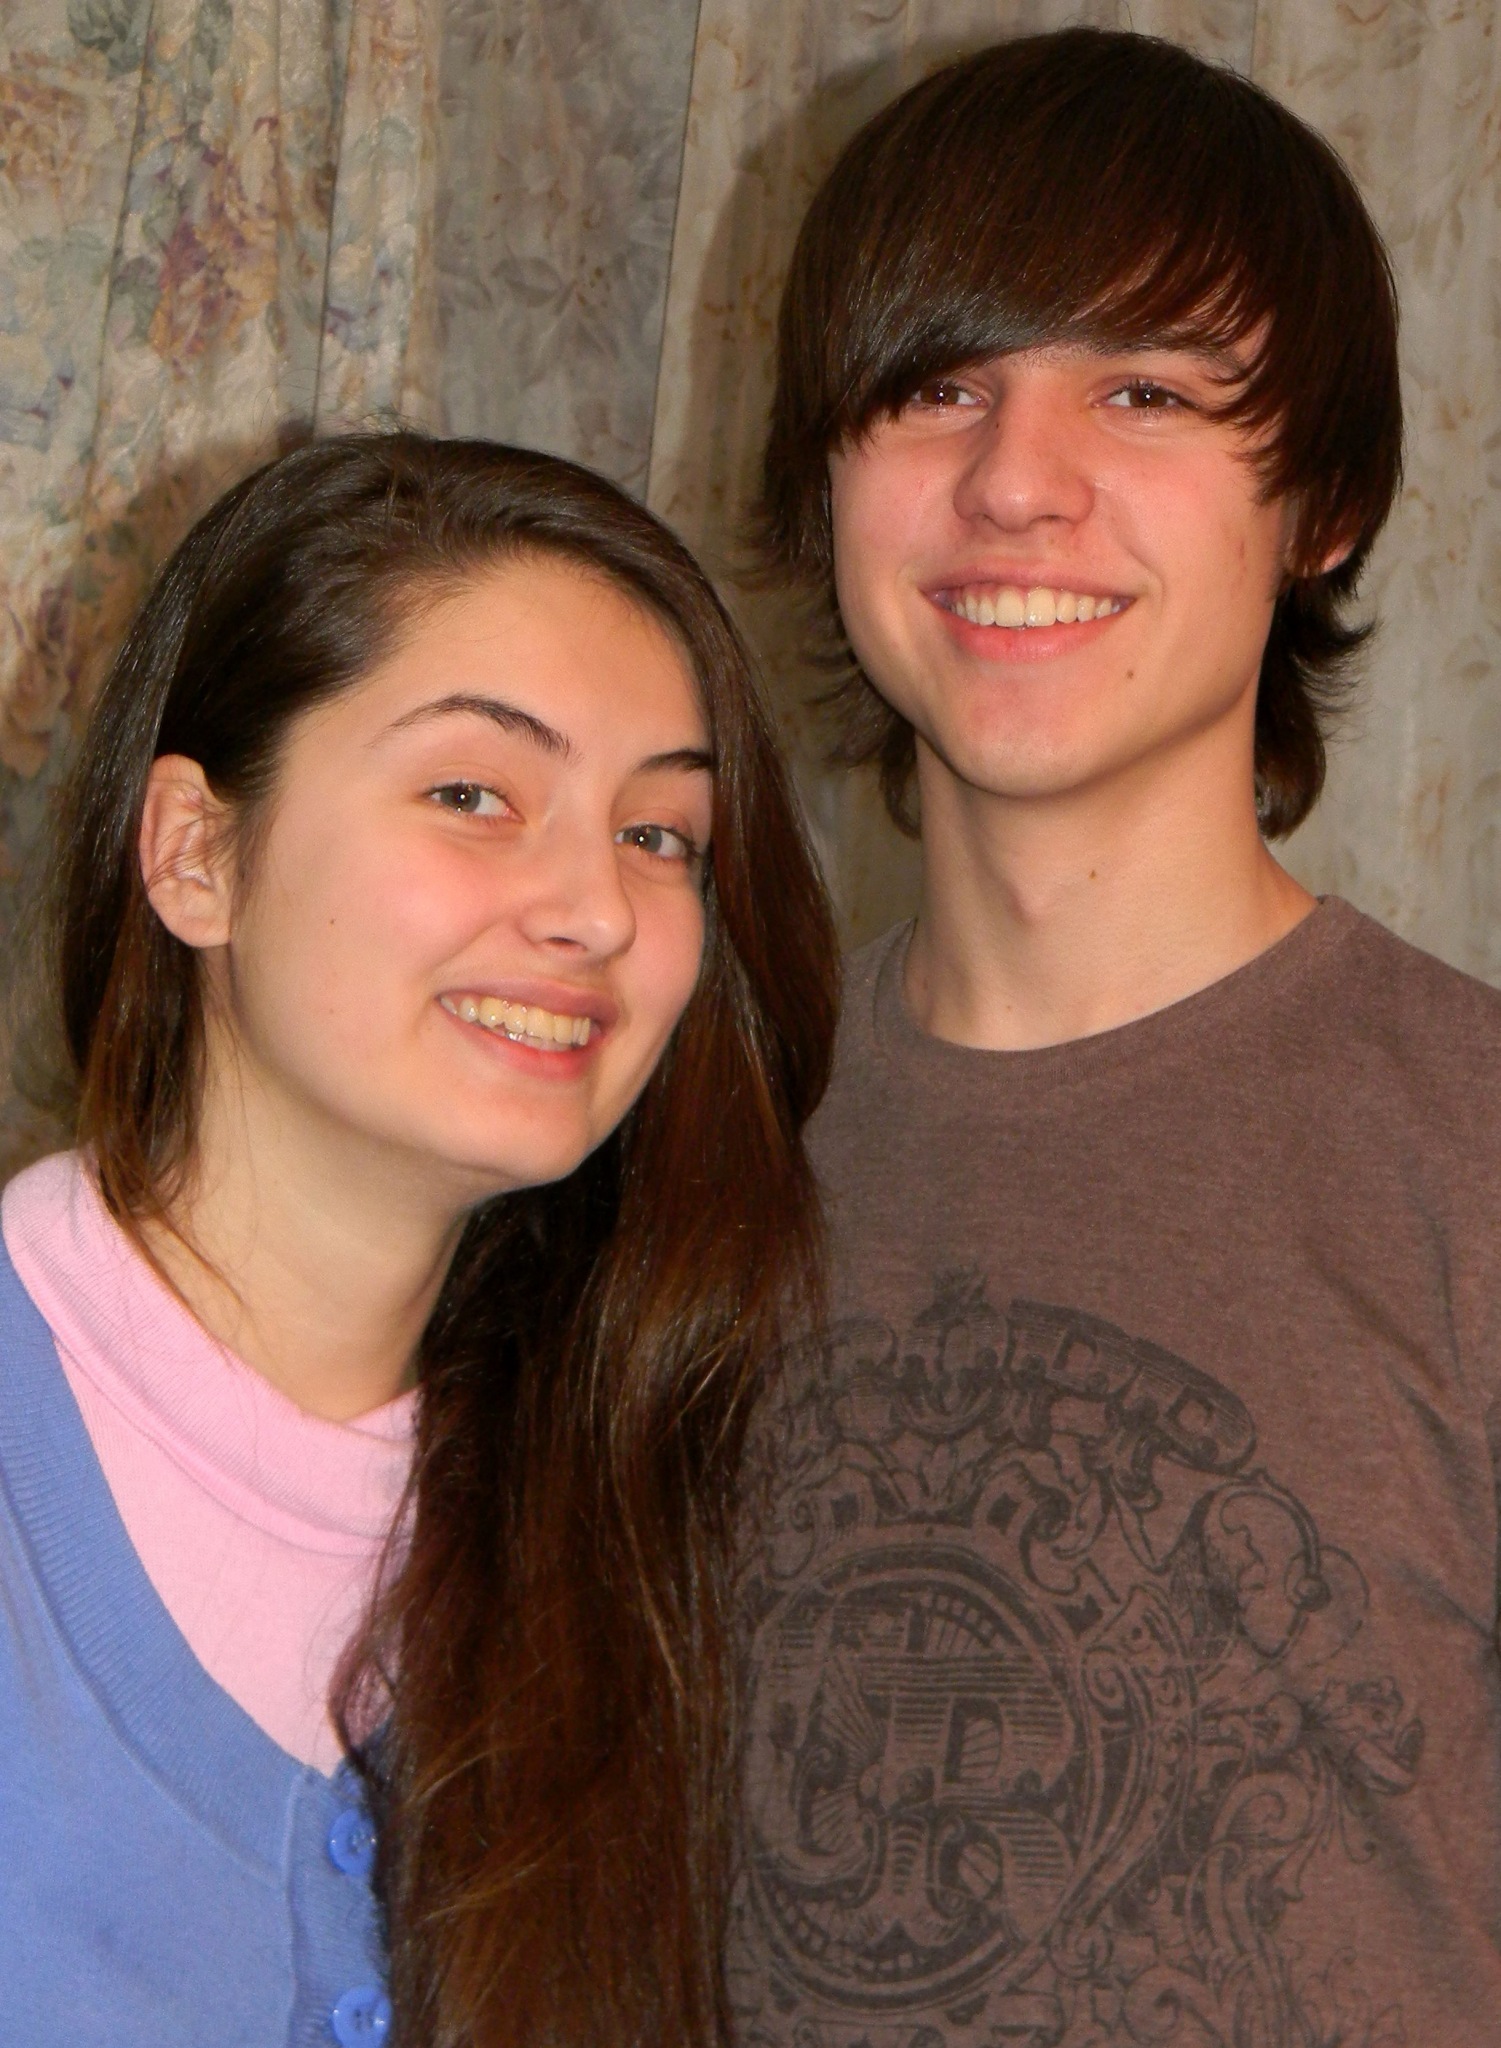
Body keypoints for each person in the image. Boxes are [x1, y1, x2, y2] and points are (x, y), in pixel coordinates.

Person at [733, 28, 1501, 2048]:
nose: (1014, 480)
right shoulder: (667, 1140)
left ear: (1324, 502)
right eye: (936, 385)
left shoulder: (1476, 1158)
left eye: (1143, 391)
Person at [0, 432, 837, 2046]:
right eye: (473, 795)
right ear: (194, 853)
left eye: (658, 834)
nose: (595, 908)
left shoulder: (626, 1517)